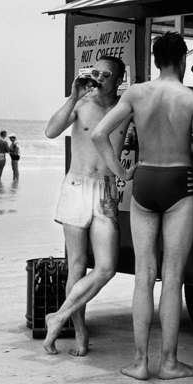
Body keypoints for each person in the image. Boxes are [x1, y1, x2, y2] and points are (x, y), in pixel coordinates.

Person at [91, 32, 193, 381]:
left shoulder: (135, 93)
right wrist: (186, 148)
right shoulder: (192, 99)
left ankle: (141, 363)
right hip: (179, 184)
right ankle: (171, 363)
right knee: (172, 278)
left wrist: (119, 174)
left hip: (144, 181)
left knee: (144, 276)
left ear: (156, 60)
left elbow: (100, 134)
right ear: (183, 59)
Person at [42, 57, 130, 357]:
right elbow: (51, 131)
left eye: (107, 75)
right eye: (97, 73)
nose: (100, 78)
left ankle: (59, 316)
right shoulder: (82, 103)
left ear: (119, 79)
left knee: (106, 268)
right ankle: (79, 332)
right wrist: (72, 96)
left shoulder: (124, 108)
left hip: (105, 190)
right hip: (76, 186)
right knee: (77, 266)